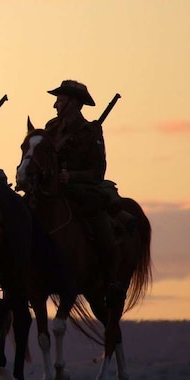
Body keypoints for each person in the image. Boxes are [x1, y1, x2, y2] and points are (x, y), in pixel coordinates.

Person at [44, 79, 130, 299]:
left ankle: (111, 279)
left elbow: (97, 172)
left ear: (73, 103)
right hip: (52, 189)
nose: (55, 105)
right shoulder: (51, 128)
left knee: (100, 224)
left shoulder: (91, 132)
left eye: (60, 100)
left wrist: (71, 176)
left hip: (82, 191)